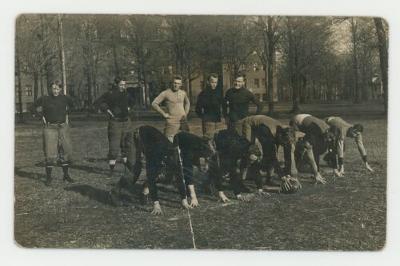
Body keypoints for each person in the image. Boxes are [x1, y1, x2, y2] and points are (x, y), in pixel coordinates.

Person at [112, 126, 215, 215]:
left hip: (150, 141)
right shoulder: (156, 154)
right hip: (135, 137)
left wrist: (184, 200)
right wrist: (156, 204)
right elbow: (151, 176)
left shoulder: (175, 156)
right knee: (135, 170)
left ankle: (144, 191)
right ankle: (114, 193)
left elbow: (180, 178)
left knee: (167, 177)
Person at [31, 80, 74, 186]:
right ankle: (49, 178)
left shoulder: (65, 98)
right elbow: (32, 107)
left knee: (65, 150)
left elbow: (73, 105)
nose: (55, 91)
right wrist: (40, 116)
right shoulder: (45, 99)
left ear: (60, 89)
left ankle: (66, 175)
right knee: (50, 152)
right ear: (51, 88)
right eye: (53, 88)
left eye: (57, 88)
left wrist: (67, 113)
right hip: (50, 128)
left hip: (63, 127)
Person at [240, 115, 297, 190]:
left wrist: (288, 175)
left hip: (266, 126)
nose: (284, 145)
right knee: (250, 150)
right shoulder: (266, 132)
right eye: (283, 143)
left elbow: (288, 156)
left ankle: (269, 178)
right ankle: (241, 180)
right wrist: (282, 176)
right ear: (280, 136)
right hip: (250, 123)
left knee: (273, 153)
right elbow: (271, 155)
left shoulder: (284, 134)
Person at [94, 77, 134, 174]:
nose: (123, 87)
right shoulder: (110, 94)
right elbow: (97, 102)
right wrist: (107, 110)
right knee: (114, 148)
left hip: (126, 122)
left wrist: (129, 108)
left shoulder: (127, 94)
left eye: (124, 85)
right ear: (116, 85)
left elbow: (133, 102)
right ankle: (111, 170)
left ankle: (128, 169)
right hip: (115, 123)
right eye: (121, 85)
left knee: (127, 146)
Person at [290, 114, 337, 184]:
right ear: (328, 132)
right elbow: (311, 152)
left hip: (309, 119)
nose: (330, 140)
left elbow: (329, 149)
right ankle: (293, 170)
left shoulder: (328, 132)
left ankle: (304, 166)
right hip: (297, 120)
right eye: (330, 137)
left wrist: (335, 168)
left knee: (312, 147)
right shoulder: (316, 131)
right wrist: (316, 173)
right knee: (294, 147)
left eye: (332, 138)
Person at [152, 75, 190, 142]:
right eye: (175, 83)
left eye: (178, 83)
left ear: (181, 84)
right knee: (169, 142)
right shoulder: (165, 93)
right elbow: (154, 104)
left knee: (186, 142)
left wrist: (185, 113)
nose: (176, 85)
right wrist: (163, 114)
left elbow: (187, 103)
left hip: (183, 121)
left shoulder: (183, 93)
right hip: (172, 122)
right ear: (172, 83)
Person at [195, 73, 224, 138]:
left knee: (217, 140)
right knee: (208, 141)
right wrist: (204, 117)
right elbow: (197, 109)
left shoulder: (218, 93)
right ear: (208, 82)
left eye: (216, 82)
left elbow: (222, 104)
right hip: (208, 122)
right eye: (212, 82)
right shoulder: (203, 94)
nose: (214, 84)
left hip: (218, 121)